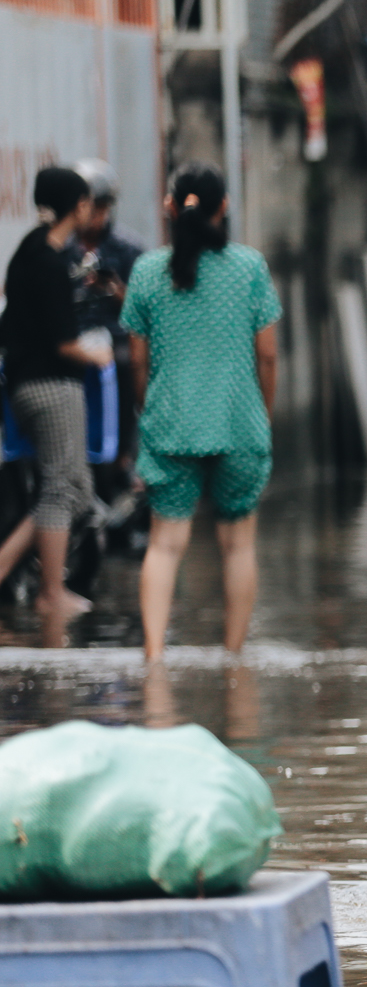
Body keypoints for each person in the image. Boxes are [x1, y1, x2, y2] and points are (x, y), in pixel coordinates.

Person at [122, 164, 281, 662]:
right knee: (238, 546)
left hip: (172, 423)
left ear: (170, 207)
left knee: (165, 545)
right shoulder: (249, 267)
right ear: (224, 207)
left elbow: (139, 362)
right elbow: (269, 355)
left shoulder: (147, 272)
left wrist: (152, 409)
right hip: (238, 422)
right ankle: (234, 661)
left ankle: (153, 661)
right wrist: (263, 413)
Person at [0, 167, 115, 619]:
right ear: (78, 206)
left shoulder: (30, 248)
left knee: (76, 489)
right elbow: (65, 343)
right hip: (53, 387)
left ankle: (9, 564)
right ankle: (51, 592)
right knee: (59, 490)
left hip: (26, 384)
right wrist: (99, 357)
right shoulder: (50, 263)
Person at [64, 159, 147, 466]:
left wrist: (114, 291)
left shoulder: (128, 248)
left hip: (114, 335)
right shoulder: (63, 248)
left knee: (127, 363)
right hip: (73, 336)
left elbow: (143, 308)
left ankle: (124, 452)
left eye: (100, 209)